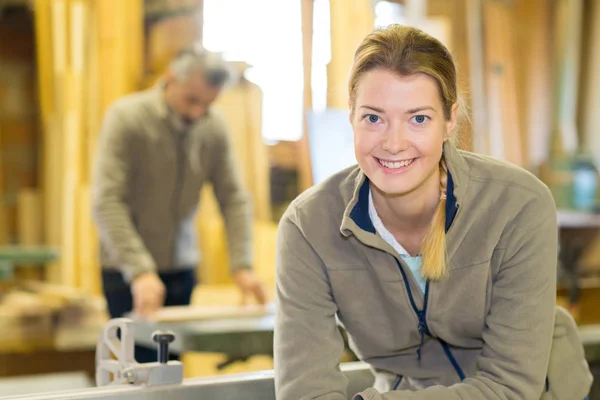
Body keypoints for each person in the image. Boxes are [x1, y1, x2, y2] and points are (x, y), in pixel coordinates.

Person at [274, 25, 592, 399]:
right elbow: (304, 390)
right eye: (373, 118)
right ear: (352, 117)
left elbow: (510, 386)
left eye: (418, 118)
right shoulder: (308, 226)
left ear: (449, 119)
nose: (393, 144)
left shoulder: (518, 205)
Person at [92, 47, 267, 363]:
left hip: (180, 270)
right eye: (192, 100)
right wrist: (141, 271)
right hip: (125, 271)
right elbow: (107, 201)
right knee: (135, 372)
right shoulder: (127, 118)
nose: (198, 112)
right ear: (171, 78)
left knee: (170, 370)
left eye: (208, 104)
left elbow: (234, 199)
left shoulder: (213, 127)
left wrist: (242, 265)